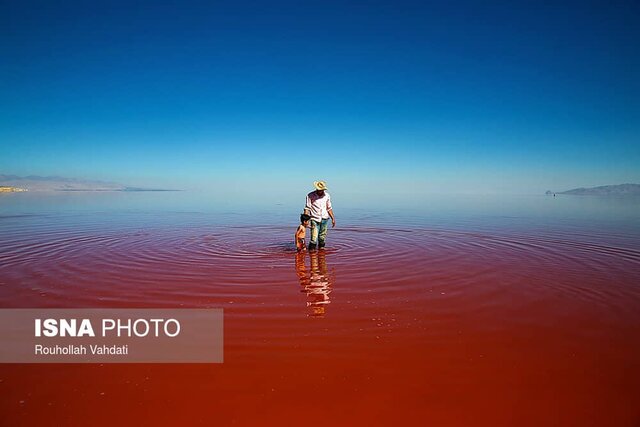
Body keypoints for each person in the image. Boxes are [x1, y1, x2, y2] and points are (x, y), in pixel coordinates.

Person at [304, 180, 336, 250]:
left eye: (322, 190)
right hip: (314, 219)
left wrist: (333, 218)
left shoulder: (327, 196)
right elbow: (307, 208)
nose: (321, 191)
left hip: (324, 218)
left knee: (322, 238)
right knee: (313, 239)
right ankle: (312, 255)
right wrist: (305, 221)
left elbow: (329, 208)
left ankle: (321, 254)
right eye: (319, 190)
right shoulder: (310, 195)